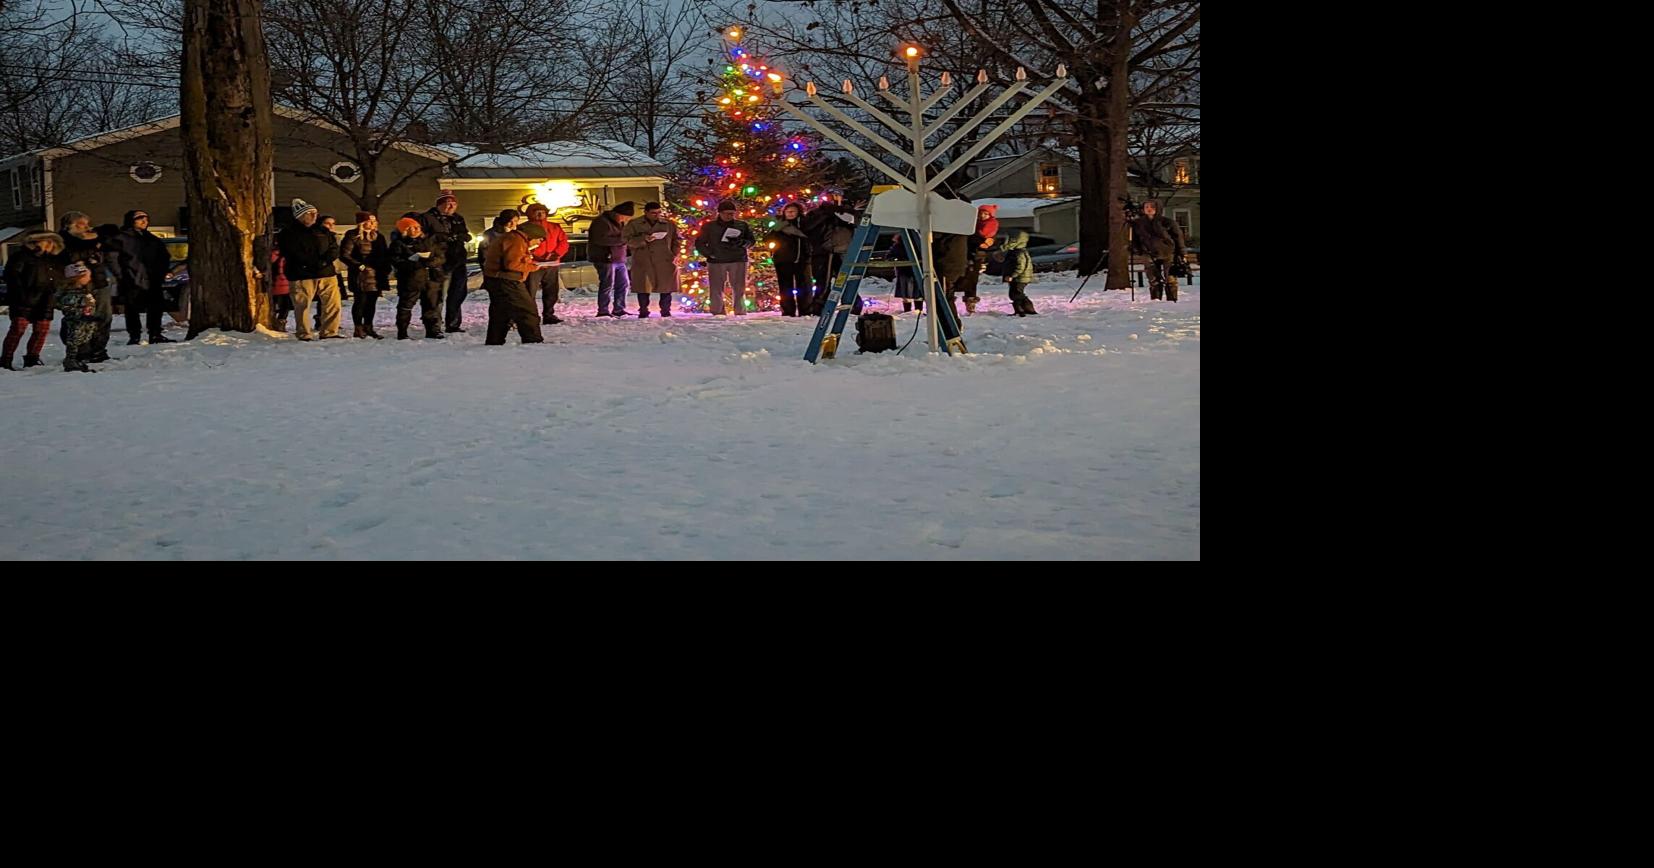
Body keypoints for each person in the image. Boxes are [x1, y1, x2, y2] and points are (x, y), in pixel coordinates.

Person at [277, 198, 344, 341]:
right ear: (300, 216)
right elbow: (290, 252)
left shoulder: (323, 231)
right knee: (302, 306)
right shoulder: (288, 233)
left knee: (333, 304)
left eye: (315, 213)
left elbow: (334, 248)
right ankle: (304, 333)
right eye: (310, 213)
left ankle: (330, 331)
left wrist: (325, 261)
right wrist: (309, 264)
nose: (314, 216)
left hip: (326, 272)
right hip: (301, 274)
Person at [2, 231, 70, 370]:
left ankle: (32, 358)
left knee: (41, 330)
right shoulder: (21, 256)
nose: (50, 244)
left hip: (46, 298)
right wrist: (19, 294)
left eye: (52, 242)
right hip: (23, 298)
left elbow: (60, 277)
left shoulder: (54, 260)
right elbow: (12, 276)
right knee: (18, 329)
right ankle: (5, 359)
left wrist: (56, 289)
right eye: (46, 241)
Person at [109, 209, 173, 345]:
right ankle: (134, 336)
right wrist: (122, 275)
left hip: (153, 278)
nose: (145, 221)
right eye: (140, 218)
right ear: (131, 221)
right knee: (132, 308)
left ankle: (155, 334)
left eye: (146, 218)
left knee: (156, 306)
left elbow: (164, 257)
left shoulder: (152, 239)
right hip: (131, 278)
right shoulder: (121, 238)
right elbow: (112, 259)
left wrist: (161, 272)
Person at [481, 209, 544, 346]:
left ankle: (495, 341)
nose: (539, 243)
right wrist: (534, 267)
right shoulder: (517, 241)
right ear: (532, 236)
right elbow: (512, 264)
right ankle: (533, 340)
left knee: (501, 312)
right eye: (539, 240)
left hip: (496, 279)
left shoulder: (511, 238)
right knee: (527, 311)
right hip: (508, 281)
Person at [58, 212, 115, 363]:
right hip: (77, 283)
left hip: (98, 280)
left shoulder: (94, 239)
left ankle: (99, 349)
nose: (87, 228)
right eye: (82, 224)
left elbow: (111, 240)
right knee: (80, 317)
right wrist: (92, 248)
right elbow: (71, 256)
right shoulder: (63, 240)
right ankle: (81, 350)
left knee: (103, 316)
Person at [420, 191, 472, 332]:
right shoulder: (428, 218)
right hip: (440, 260)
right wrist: (442, 238)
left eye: (453, 204)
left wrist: (462, 237)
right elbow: (425, 239)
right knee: (438, 295)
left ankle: (453, 323)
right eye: (447, 203)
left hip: (458, 259)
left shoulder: (458, 218)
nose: (451, 206)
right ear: (439, 204)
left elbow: (465, 233)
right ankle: (435, 325)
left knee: (458, 293)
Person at [693, 200, 755, 316]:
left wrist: (741, 243)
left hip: (738, 259)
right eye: (727, 213)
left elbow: (751, 241)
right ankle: (717, 311)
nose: (730, 216)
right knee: (716, 288)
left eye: (732, 213)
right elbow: (700, 243)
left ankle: (740, 311)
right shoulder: (709, 227)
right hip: (717, 260)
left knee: (739, 287)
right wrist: (709, 254)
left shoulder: (742, 225)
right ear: (720, 213)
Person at [801, 191, 858, 314]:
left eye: (837, 196)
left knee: (845, 279)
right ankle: (819, 308)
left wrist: (839, 212)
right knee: (823, 281)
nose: (833, 199)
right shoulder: (815, 213)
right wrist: (826, 213)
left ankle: (852, 304)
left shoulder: (848, 211)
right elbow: (807, 227)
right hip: (822, 251)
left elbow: (854, 221)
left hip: (842, 249)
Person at [389, 216, 445, 339]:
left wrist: (431, 262)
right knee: (406, 306)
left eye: (417, 227)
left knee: (431, 306)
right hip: (410, 280)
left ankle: (433, 330)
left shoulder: (429, 241)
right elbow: (397, 262)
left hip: (431, 279)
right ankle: (402, 332)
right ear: (404, 230)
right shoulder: (398, 244)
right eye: (411, 228)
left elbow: (440, 257)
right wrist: (416, 262)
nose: (415, 230)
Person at [623, 201, 679, 318]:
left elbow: (676, 240)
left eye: (659, 212)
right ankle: (643, 310)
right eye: (653, 213)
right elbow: (626, 240)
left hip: (664, 259)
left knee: (666, 286)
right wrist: (643, 239)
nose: (656, 215)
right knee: (643, 287)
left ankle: (665, 310)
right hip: (643, 260)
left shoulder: (668, 224)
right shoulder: (634, 224)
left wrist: (674, 254)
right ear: (646, 212)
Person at [340, 211, 389, 338]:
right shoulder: (353, 235)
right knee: (360, 301)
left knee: (371, 302)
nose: (373, 224)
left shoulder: (379, 237)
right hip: (360, 274)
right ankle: (358, 327)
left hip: (376, 274)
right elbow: (345, 254)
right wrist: (358, 265)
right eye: (370, 221)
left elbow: (384, 254)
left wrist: (385, 267)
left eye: (374, 221)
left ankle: (369, 326)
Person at [521, 203, 570, 324]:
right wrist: (533, 256)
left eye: (542, 212)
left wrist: (555, 254)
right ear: (529, 214)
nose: (539, 214)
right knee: (529, 291)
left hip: (552, 263)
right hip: (533, 264)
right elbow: (521, 246)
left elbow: (564, 243)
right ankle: (529, 316)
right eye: (536, 212)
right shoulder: (524, 228)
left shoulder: (555, 227)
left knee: (551, 291)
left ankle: (549, 314)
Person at [1132, 199, 1186, 302]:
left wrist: (1182, 252)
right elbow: (1136, 238)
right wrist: (1137, 249)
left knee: (1170, 278)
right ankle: (1156, 299)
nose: (1149, 209)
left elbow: (1178, 237)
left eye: (1152, 207)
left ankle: (1172, 299)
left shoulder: (1167, 222)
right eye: (1146, 207)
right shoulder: (1139, 223)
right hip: (1148, 253)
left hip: (1168, 252)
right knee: (1153, 279)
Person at [763, 202, 810, 316]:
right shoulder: (778, 226)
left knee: (803, 285)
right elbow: (768, 239)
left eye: (793, 211)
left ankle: (805, 309)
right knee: (785, 286)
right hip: (782, 260)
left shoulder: (804, 225)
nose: (790, 213)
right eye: (788, 211)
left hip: (801, 259)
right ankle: (788, 310)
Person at [588, 201, 633, 317]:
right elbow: (600, 240)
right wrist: (622, 240)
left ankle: (619, 308)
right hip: (605, 258)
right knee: (607, 284)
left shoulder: (619, 223)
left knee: (623, 283)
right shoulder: (601, 222)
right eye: (624, 217)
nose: (625, 220)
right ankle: (603, 310)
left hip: (619, 258)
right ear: (617, 214)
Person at [54, 261, 99, 371]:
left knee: (85, 340)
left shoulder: (85, 292)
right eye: (86, 276)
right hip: (75, 323)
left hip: (86, 322)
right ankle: (71, 360)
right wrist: (80, 313)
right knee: (74, 341)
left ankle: (80, 359)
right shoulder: (70, 294)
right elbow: (68, 307)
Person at [959, 203, 999, 315]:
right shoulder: (975, 224)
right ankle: (969, 300)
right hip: (972, 252)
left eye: (985, 214)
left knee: (971, 278)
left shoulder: (990, 225)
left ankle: (970, 301)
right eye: (981, 213)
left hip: (976, 254)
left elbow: (983, 238)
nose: (982, 216)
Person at [1000, 230, 1038, 316]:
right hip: (1018, 277)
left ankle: (1025, 310)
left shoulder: (1019, 253)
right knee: (1015, 294)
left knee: (1016, 294)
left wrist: (1012, 275)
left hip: (1020, 277)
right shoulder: (1015, 252)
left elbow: (1020, 266)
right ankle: (1022, 310)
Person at [886, 232, 923, 313]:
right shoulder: (898, 246)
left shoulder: (916, 244)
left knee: (913, 292)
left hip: (911, 271)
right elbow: (889, 256)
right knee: (912, 292)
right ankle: (913, 311)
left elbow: (889, 256)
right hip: (906, 271)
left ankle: (914, 311)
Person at [268, 247, 294, 332]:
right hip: (284, 284)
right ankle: (280, 323)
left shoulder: (272, 256)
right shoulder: (284, 256)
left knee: (275, 305)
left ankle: (274, 321)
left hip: (275, 284)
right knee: (284, 306)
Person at [320, 215, 346, 301]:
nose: (331, 226)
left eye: (333, 224)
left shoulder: (336, 237)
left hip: (335, 268)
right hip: (323, 269)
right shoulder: (319, 237)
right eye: (327, 223)